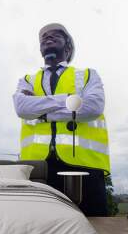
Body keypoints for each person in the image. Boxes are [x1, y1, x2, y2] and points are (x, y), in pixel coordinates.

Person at [12, 23, 110, 216]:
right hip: (37, 168)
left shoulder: (88, 75)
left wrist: (41, 110)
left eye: (56, 35)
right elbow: (22, 108)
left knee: (95, 226)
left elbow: (92, 107)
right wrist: (70, 100)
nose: (47, 38)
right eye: (43, 37)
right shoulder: (27, 79)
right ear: (40, 48)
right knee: (41, 227)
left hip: (85, 166)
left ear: (68, 47)